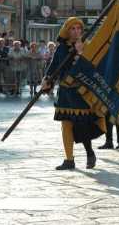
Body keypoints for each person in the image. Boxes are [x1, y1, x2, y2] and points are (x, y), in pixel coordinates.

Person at [41, 17, 105, 170]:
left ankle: (90, 153)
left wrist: (81, 52)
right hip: (64, 91)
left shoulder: (87, 46)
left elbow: (93, 67)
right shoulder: (61, 48)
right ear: (67, 30)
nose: (76, 31)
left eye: (78, 28)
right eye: (73, 28)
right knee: (66, 125)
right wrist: (46, 79)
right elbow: (54, 66)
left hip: (80, 91)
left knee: (81, 124)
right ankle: (69, 159)